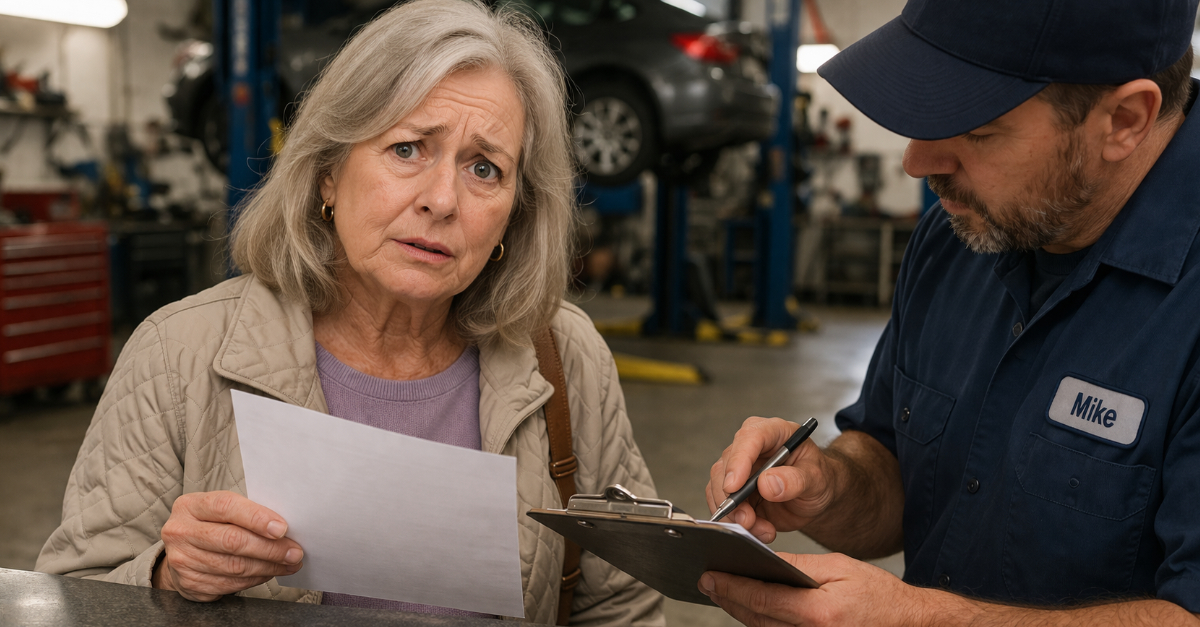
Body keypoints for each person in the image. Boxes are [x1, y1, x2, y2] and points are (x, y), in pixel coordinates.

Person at [34, 1, 664, 624]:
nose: (442, 199)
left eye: (483, 168)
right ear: (328, 173)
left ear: (514, 214)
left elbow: (622, 607)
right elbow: (73, 598)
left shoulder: (566, 357)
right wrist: (168, 576)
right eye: (409, 149)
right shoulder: (178, 355)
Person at [702, 0, 1200, 625]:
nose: (917, 162)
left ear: (1125, 119)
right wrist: (829, 488)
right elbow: (895, 475)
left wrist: (920, 619)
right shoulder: (959, 236)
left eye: (977, 129)